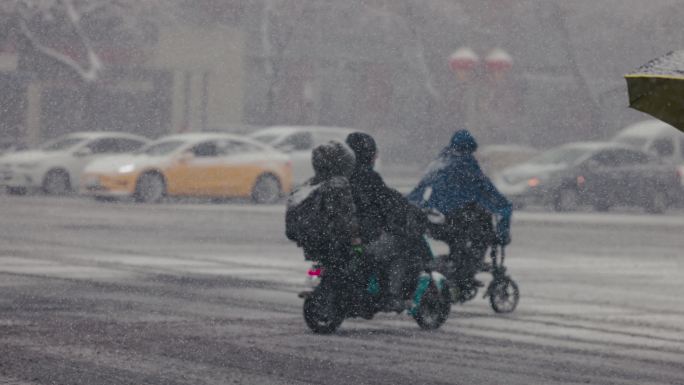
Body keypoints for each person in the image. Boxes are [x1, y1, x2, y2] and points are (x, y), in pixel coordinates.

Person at [408, 129, 512, 288]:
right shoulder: (466, 165)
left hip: (432, 220)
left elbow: (420, 191)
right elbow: (487, 192)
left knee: (458, 243)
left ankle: (456, 268)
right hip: (456, 221)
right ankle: (465, 275)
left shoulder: (439, 163)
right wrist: (503, 223)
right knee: (482, 234)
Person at [346, 132, 430, 312]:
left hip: (342, 240)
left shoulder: (341, 177)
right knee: (400, 247)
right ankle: (391, 296)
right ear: (369, 154)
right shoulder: (367, 178)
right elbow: (389, 201)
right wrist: (409, 209)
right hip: (362, 239)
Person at [285, 140, 362, 290]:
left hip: (311, 242)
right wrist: (356, 242)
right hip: (334, 242)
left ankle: (312, 279)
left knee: (320, 263)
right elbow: (346, 218)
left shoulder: (307, 185)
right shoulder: (339, 185)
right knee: (359, 261)